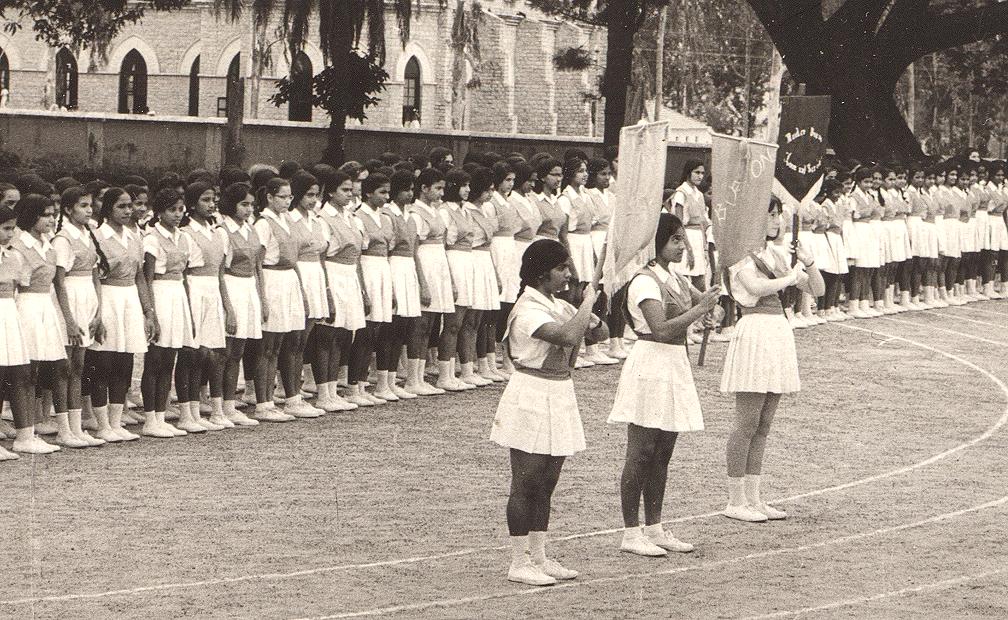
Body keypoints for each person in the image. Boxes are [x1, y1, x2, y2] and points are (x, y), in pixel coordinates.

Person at [490, 238, 601, 586]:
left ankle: (538, 555)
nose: (568, 274)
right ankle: (518, 560)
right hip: (531, 393)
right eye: (561, 268)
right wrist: (585, 307)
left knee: (548, 483)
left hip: (559, 391)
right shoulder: (528, 310)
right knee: (526, 481)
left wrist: (593, 315)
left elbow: (599, 334)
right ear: (542, 273)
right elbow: (567, 337)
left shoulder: (556, 304)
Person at [609, 213, 719, 556]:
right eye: (675, 240)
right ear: (657, 244)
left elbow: (702, 303)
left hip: (674, 363)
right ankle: (631, 532)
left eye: (683, 239)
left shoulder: (676, 277)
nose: (682, 246)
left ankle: (654, 527)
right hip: (651, 362)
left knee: (663, 452)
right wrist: (701, 311)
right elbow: (661, 328)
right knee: (641, 451)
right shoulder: (644, 282)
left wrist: (710, 304)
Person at [720, 197, 824, 522]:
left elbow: (817, 289)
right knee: (746, 423)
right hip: (754, 332)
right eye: (770, 214)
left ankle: (754, 498)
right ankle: (735, 500)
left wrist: (808, 264)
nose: (776, 220)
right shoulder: (740, 257)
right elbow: (755, 287)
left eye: (778, 214)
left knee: (764, 425)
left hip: (777, 332)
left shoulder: (775, 255)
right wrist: (790, 278)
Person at [10, 195, 68, 453]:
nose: (50, 219)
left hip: (44, 307)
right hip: (24, 307)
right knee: (24, 370)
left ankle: (30, 431)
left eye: (52, 214)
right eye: (45, 214)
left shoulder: (48, 245)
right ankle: (24, 433)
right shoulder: (18, 245)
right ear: (31, 216)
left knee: (38, 370)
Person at [51, 186, 107, 447]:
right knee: (65, 368)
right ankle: (64, 429)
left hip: (87, 301)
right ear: (67, 209)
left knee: (79, 367)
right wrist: (70, 321)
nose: (89, 210)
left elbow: (95, 277)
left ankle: (76, 427)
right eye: (83, 206)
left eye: (90, 205)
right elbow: (59, 283)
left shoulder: (89, 234)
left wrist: (98, 313)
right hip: (69, 303)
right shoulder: (62, 239)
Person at [140, 188, 196, 437]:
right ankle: (149, 419)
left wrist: (189, 312)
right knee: (155, 359)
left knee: (170, 359)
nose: (177, 214)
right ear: (159, 212)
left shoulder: (184, 238)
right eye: (171, 210)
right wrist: (151, 313)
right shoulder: (152, 238)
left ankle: (161, 417)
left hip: (177, 296)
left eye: (180, 210)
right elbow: (148, 279)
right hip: (160, 294)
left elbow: (184, 276)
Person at [181, 181, 234, 430]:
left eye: (213, 199)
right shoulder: (186, 234)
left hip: (213, 291)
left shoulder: (219, 232)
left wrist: (228, 307)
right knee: (195, 354)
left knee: (216, 354)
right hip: (194, 290)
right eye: (205, 200)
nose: (211, 204)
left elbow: (221, 274)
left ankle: (216, 410)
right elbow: (183, 272)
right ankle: (189, 413)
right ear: (192, 204)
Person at [316, 171, 366, 409]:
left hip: (349, 276)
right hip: (333, 274)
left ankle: (333, 391)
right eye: (344, 190)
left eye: (351, 189)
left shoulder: (351, 218)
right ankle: (323, 393)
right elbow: (322, 257)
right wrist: (326, 289)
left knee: (344, 335)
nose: (349, 194)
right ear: (331, 192)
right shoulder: (323, 218)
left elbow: (356, 256)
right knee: (328, 335)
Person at [216, 182, 265, 425]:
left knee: (238, 350)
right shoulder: (223, 231)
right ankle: (220, 405)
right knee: (226, 350)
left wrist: (261, 298)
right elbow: (220, 273)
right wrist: (228, 308)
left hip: (248, 289)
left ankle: (230, 404)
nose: (248, 209)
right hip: (231, 287)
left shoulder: (251, 229)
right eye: (243, 204)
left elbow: (257, 267)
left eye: (251, 205)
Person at [405, 168, 453, 395]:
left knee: (430, 324)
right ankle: (412, 379)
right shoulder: (415, 214)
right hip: (425, 265)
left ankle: (420, 376)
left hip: (439, 265)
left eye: (443, 188)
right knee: (421, 325)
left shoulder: (436, 212)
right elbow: (414, 251)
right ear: (423, 189)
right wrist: (422, 282)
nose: (441, 193)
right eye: (437, 188)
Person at [0, 204, 41, 458]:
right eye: (5, 229)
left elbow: (17, 290)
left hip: (9, 315)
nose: (9, 234)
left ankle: (25, 436)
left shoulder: (14, 256)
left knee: (19, 373)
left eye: (12, 229)